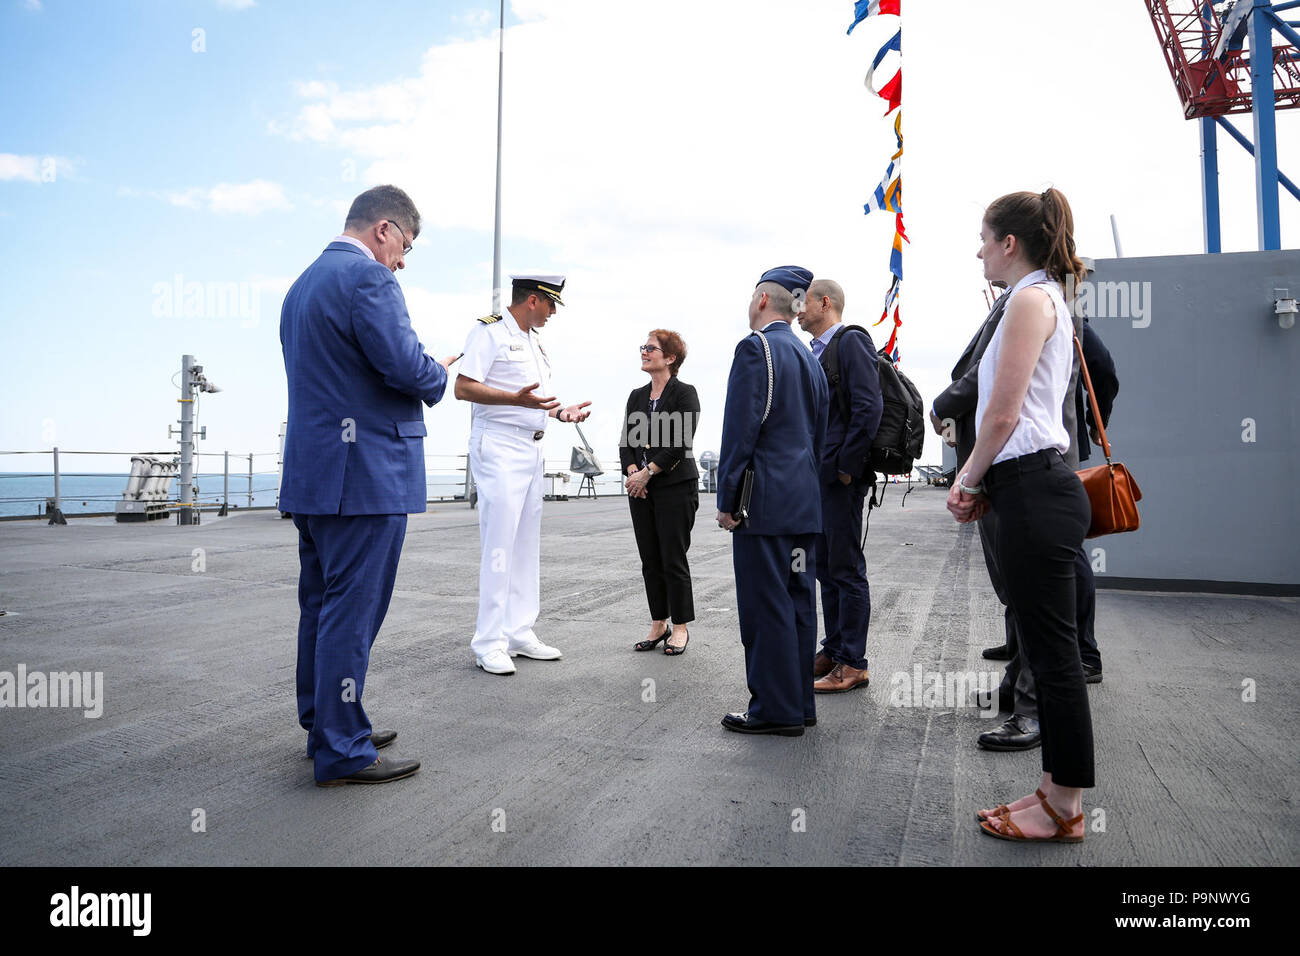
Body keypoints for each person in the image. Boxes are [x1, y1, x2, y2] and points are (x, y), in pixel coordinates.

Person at [280, 184, 456, 786]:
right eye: (404, 244)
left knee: (321, 608)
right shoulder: (369, 280)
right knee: (352, 614)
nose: (402, 259)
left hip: (315, 476)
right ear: (383, 229)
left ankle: (324, 724)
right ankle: (343, 750)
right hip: (366, 477)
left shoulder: (301, 285)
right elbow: (405, 365)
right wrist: (437, 370)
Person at [947, 187, 1094, 843]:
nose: (978, 249)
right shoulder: (1034, 299)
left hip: (1033, 488)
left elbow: (1004, 414)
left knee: (1054, 658)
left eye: (984, 237)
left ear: (1010, 243)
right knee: (1046, 648)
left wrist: (966, 478)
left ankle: (1064, 807)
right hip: (1028, 488)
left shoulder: (1031, 300)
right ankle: (1052, 793)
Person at [455, 274, 592, 676]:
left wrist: (560, 413)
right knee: (499, 543)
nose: (552, 313)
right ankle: (488, 642)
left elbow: (533, 400)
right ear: (533, 300)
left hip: (532, 447)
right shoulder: (490, 334)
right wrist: (514, 400)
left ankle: (518, 631)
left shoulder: (534, 341)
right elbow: (464, 388)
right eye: (551, 305)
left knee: (525, 542)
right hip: (499, 445)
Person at [716, 266, 828, 736]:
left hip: (763, 506)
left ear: (763, 300)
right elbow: (817, 435)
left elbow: (741, 431)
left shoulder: (755, 348)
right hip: (803, 502)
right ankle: (798, 703)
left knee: (766, 606)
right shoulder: (809, 356)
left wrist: (727, 498)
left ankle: (773, 710)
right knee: (799, 602)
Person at [796, 279, 882, 693]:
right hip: (820, 478)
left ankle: (853, 663)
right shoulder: (817, 351)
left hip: (840, 479)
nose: (797, 309)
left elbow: (869, 406)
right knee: (826, 568)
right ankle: (834, 649)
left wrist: (847, 468)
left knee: (846, 570)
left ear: (824, 303)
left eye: (803, 302)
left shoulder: (851, 341)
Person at [620, 329, 701, 656]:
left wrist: (647, 473)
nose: (644, 352)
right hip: (640, 490)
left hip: (674, 487)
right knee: (650, 559)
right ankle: (659, 623)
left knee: (672, 557)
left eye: (650, 348)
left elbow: (679, 443)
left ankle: (680, 627)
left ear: (670, 357)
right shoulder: (637, 396)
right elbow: (627, 442)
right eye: (643, 347)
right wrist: (632, 473)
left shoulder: (685, 393)